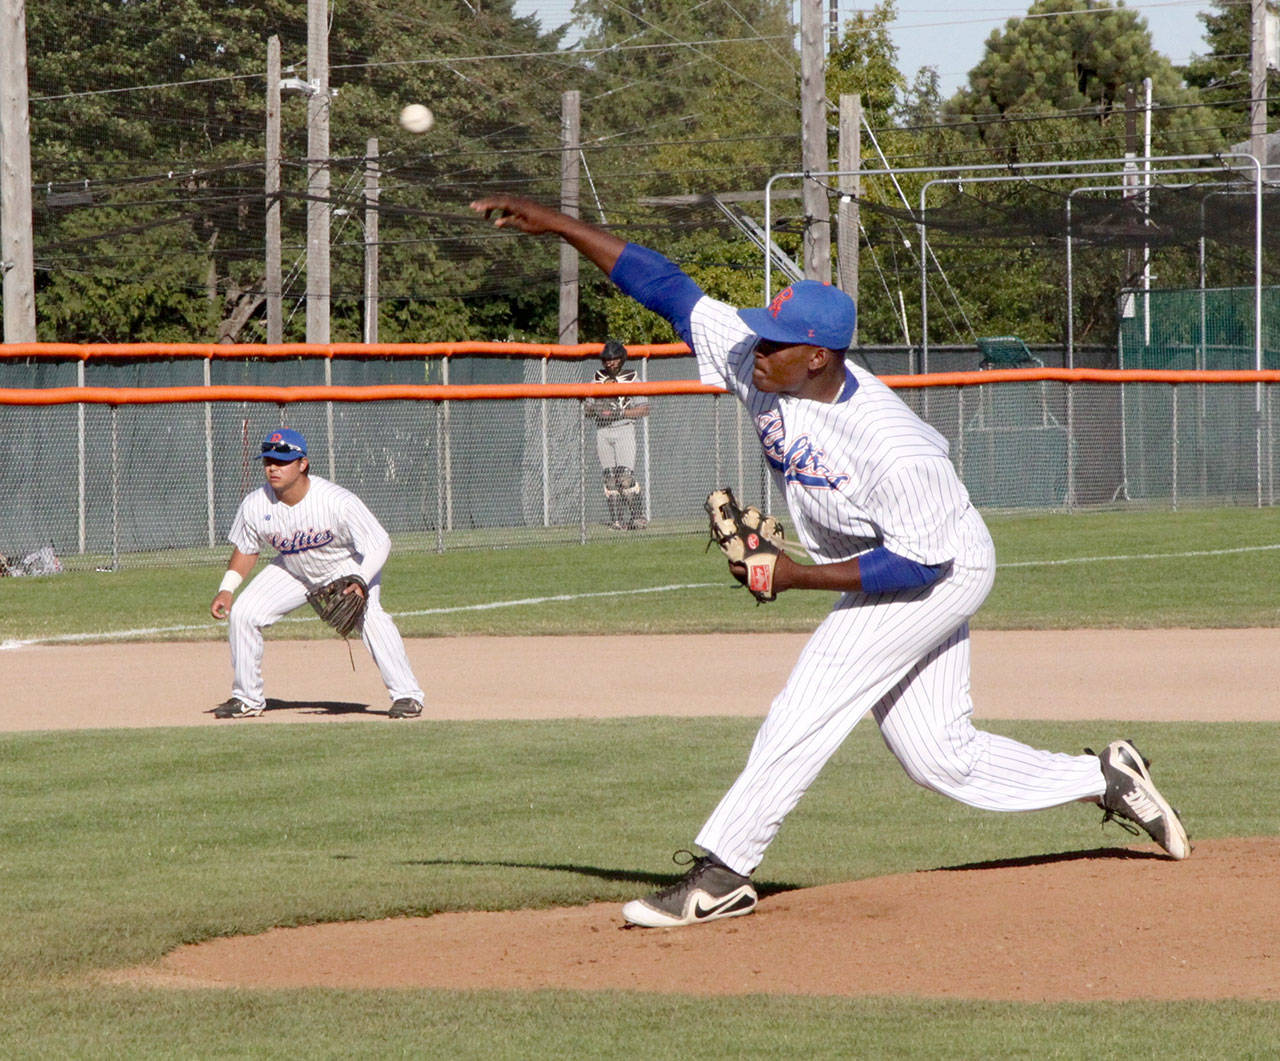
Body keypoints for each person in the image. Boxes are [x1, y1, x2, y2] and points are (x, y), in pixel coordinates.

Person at [470, 194, 1191, 928]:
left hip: (938, 564)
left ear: (817, 355)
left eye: (774, 342)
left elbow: (915, 564)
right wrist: (558, 224)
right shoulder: (762, 362)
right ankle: (1103, 777)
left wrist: (794, 574)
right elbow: (666, 287)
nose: (756, 348)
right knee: (939, 756)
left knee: (814, 693)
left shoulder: (891, 446)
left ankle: (723, 872)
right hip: (891, 555)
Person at [209, 428, 425, 721]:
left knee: (371, 617)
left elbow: (379, 543)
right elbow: (247, 549)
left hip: (346, 566)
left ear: (302, 464)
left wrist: (360, 580)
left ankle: (407, 695)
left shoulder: (337, 501)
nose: (273, 466)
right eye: (268, 460)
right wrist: (227, 588)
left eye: (282, 460)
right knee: (244, 613)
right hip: (294, 567)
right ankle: (247, 698)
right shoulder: (255, 504)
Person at [585, 339, 650, 530]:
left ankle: (637, 517)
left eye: (613, 359)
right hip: (603, 430)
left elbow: (644, 408)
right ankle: (617, 520)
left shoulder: (631, 378)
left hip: (623, 428)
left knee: (624, 476)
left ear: (621, 359)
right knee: (609, 477)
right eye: (606, 360)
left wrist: (620, 413)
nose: (609, 363)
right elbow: (587, 408)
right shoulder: (597, 379)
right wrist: (596, 409)